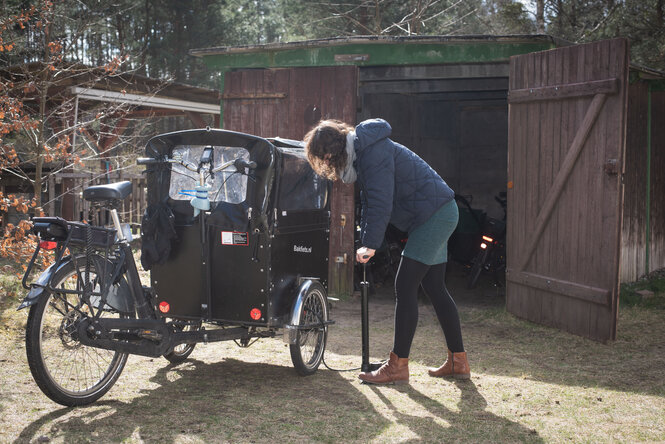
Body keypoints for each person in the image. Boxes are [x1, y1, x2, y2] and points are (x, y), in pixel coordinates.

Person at [304, 118, 470, 385]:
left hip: (434, 216)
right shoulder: (365, 153)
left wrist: (369, 244)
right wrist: (366, 238)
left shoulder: (372, 153)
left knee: (405, 286)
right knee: (435, 288)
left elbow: (381, 201)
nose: (327, 164)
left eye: (324, 158)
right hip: (439, 212)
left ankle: (397, 366)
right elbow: (371, 205)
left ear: (330, 151)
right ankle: (458, 361)